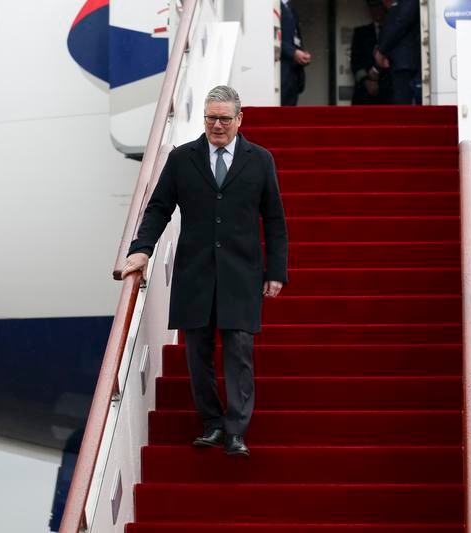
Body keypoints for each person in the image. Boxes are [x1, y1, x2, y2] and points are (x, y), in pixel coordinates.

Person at [121, 86, 288, 458]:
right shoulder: (182, 159)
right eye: (211, 118)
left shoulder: (260, 160)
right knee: (198, 354)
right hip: (195, 273)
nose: (217, 125)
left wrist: (276, 270)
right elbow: (159, 208)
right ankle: (212, 424)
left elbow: (274, 219)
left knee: (239, 351)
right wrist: (142, 249)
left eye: (224, 119)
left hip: (241, 274)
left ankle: (236, 431)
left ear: (239, 119)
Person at [373, 0, 421, 104]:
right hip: (400, 63)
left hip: (406, 64)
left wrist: (382, 51)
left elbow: (400, 22)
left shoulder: (406, 4)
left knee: (404, 107)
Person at [351, 0, 392, 105]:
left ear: (384, 6)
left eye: (378, 6)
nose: (375, 10)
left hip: (391, 92)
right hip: (365, 95)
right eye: (371, 7)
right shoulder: (361, 33)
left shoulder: (394, 32)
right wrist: (366, 81)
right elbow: (355, 63)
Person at [280, 0, 311, 106]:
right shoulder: (271, 6)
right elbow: (270, 38)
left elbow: (295, 38)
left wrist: (302, 55)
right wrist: (293, 52)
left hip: (294, 74)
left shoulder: (291, 10)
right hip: (281, 73)